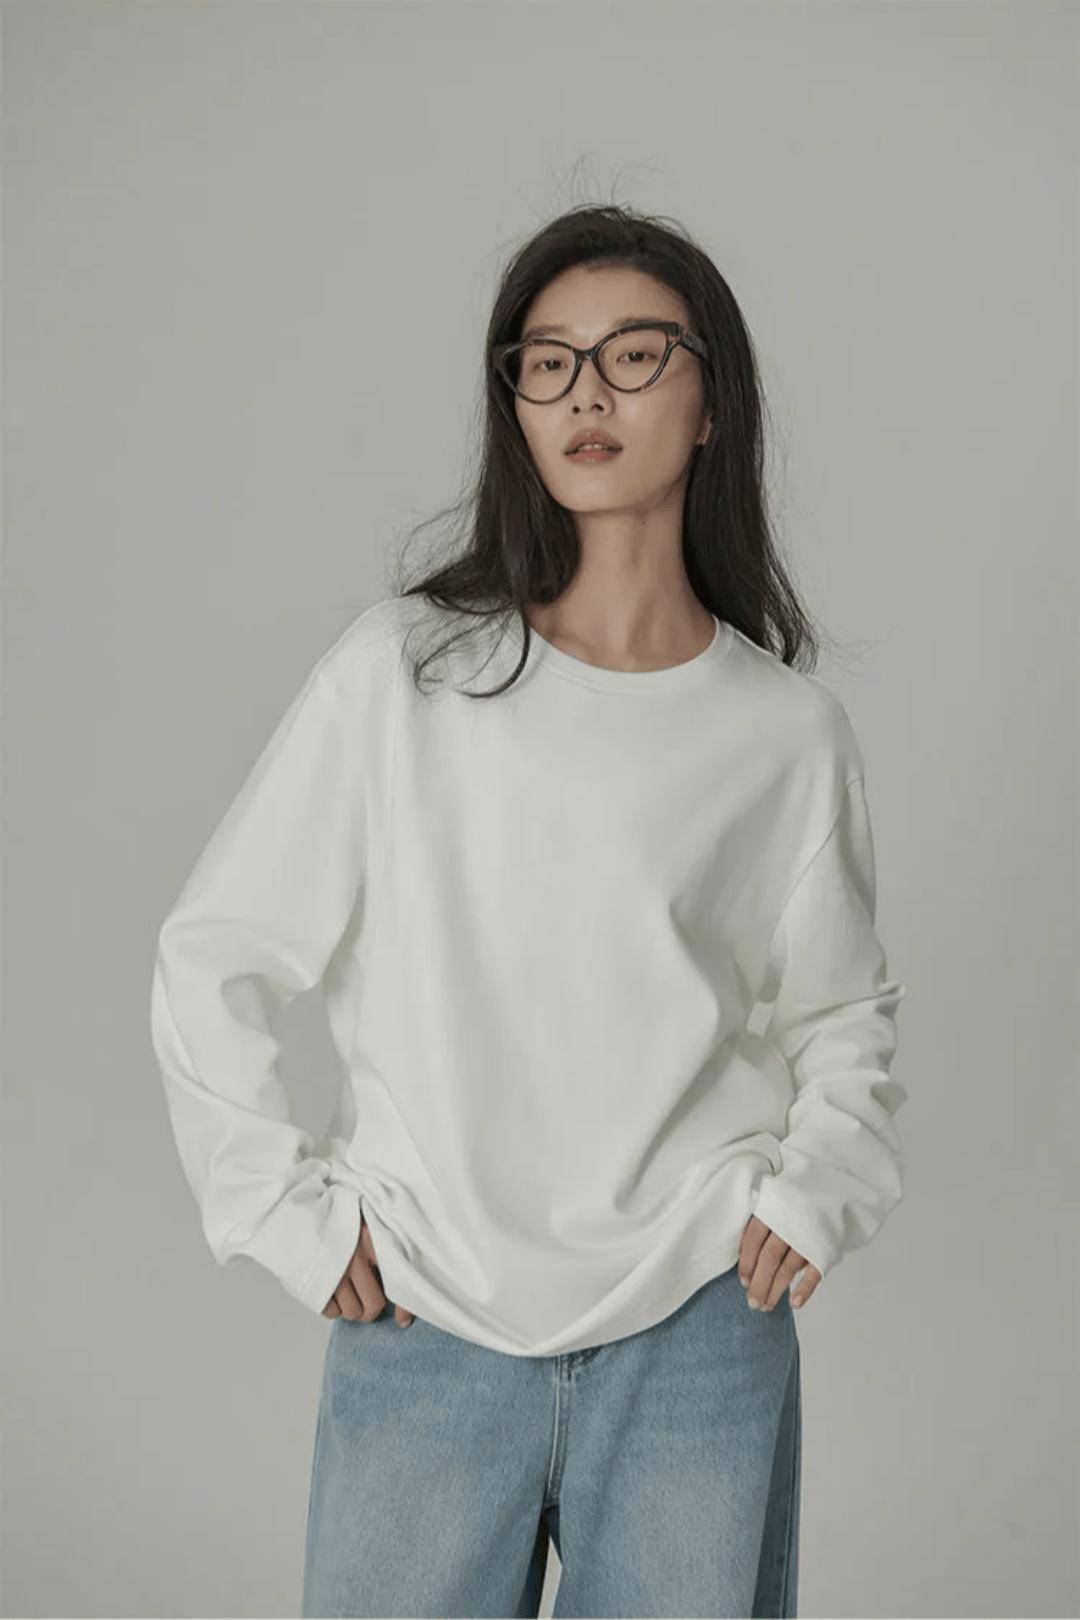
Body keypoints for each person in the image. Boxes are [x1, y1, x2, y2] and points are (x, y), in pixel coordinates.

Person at [150, 203, 909, 1619]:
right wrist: (285, 1215)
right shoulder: (406, 674)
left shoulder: (783, 733)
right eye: (547, 362)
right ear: (514, 404)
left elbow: (842, 1009)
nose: (585, 393)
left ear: (713, 404)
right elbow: (217, 953)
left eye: (634, 354)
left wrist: (819, 1189)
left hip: (696, 1328)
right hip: (426, 1315)